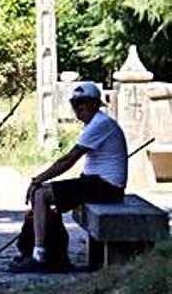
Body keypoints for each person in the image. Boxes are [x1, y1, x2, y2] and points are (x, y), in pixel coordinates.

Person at [14, 81, 127, 272]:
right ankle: (50, 252)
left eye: (81, 103)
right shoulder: (95, 123)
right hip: (95, 182)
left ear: (93, 104)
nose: (77, 108)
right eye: (74, 103)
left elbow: (68, 160)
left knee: (41, 194)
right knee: (44, 196)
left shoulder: (100, 124)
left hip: (106, 186)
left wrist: (38, 179)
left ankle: (40, 255)